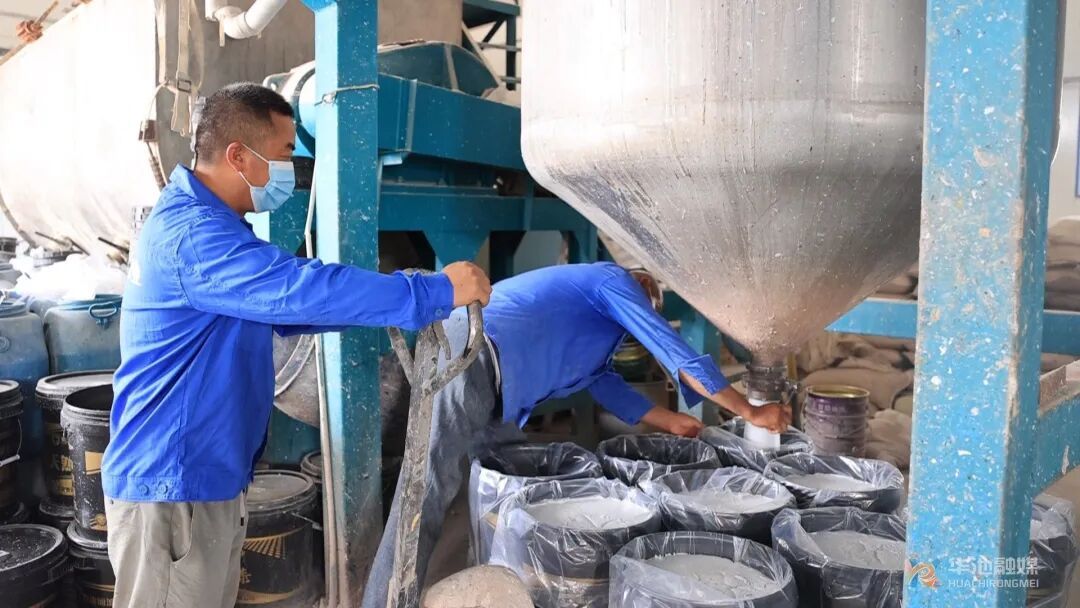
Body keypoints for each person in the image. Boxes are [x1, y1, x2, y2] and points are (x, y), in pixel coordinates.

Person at [101, 83, 491, 608]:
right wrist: (433, 293)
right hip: (173, 489)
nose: (289, 169)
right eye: (285, 153)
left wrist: (393, 302)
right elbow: (298, 290)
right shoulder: (194, 237)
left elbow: (293, 308)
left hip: (201, 480)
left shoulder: (212, 225)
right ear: (238, 156)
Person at [363, 262, 791, 607]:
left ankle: (504, 575)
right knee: (427, 487)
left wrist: (676, 423)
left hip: (497, 389)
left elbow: (609, 388)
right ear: (643, 285)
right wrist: (751, 411)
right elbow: (679, 357)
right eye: (648, 310)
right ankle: (384, 601)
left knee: (511, 482)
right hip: (472, 351)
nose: (643, 320)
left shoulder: (598, 338)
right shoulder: (612, 281)